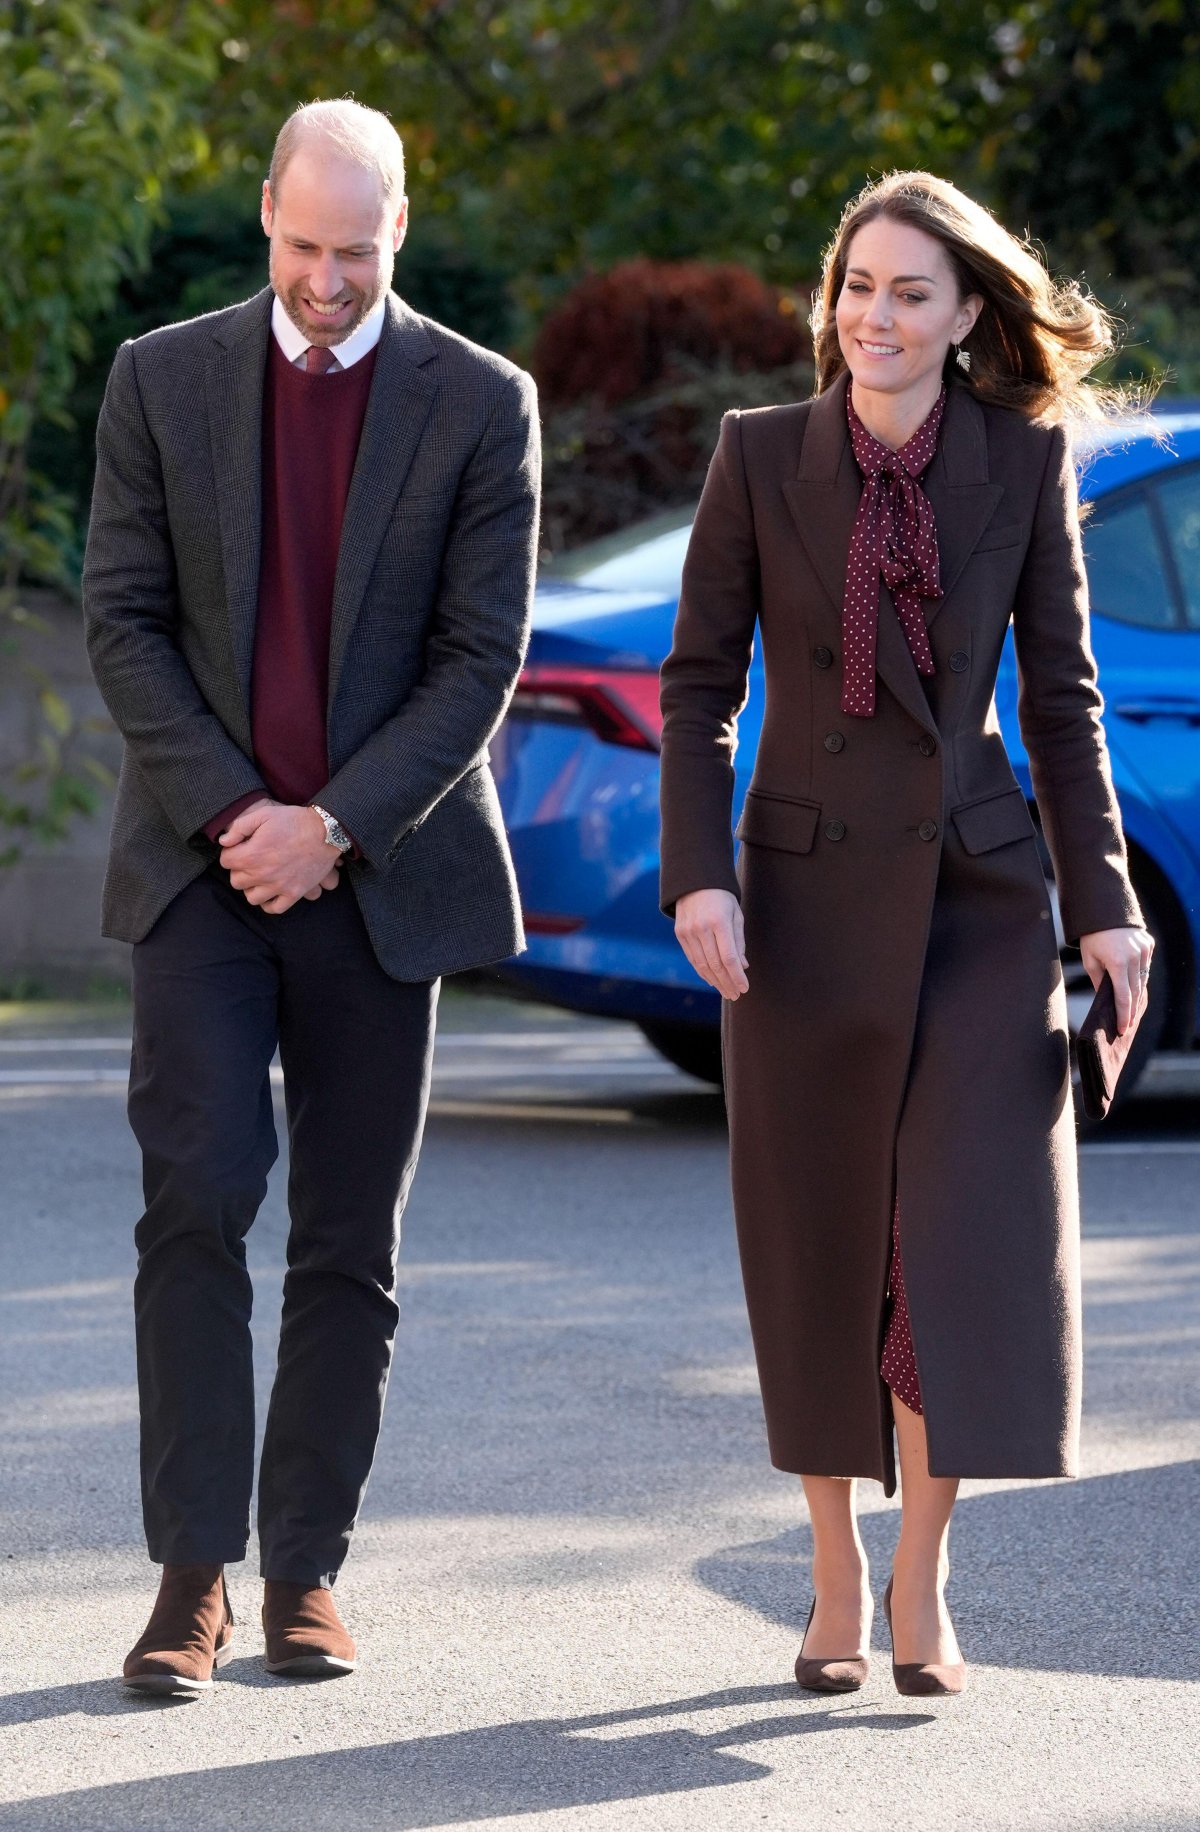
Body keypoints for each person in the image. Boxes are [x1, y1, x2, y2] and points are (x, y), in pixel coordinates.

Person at [658, 171, 1153, 1698]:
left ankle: (925, 1572)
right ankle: (829, 1570)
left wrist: (1109, 909)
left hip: (978, 905)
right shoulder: (758, 458)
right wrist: (700, 876)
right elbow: (697, 687)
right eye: (856, 286)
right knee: (821, 1251)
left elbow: (1062, 706)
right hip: (796, 909)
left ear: (964, 317)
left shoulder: (1022, 461)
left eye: (910, 293)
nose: (875, 316)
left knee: (946, 1246)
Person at [83, 99, 540, 1695]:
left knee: (351, 1238)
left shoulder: (484, 403)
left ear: (399, 227)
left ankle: (306, 1578)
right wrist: (240, 816)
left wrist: (332, 826)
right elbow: (123, 620)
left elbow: (480, 658)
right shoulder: (162, 378)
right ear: (265, 211)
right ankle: (189, 1580)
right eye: (302, 246)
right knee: (194, 1200)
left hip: (383, 872)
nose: (328, 280)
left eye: (357, 251)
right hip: (203, 869)